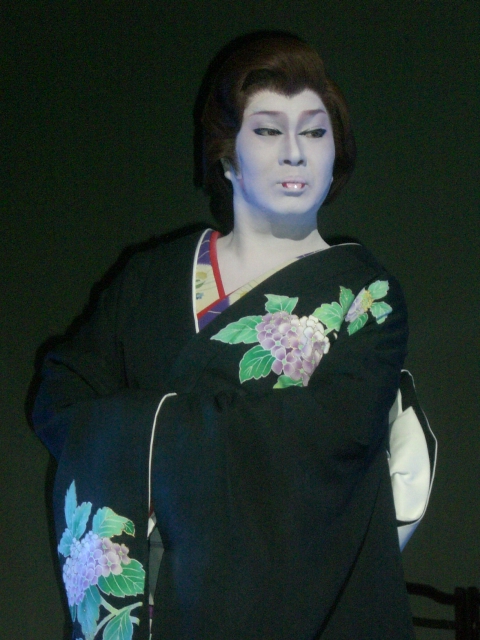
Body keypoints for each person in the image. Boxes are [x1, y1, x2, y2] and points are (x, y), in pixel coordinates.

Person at [32, 32, 435, 639]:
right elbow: (62, 392)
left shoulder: (364, 296)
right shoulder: (150, 276)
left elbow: (326, 438)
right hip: (152, 593)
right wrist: (156, 439)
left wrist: (145, 433)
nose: (295, 153)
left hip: (293, 602)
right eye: (268, 130)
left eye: (315, 132)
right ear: (226, 155)